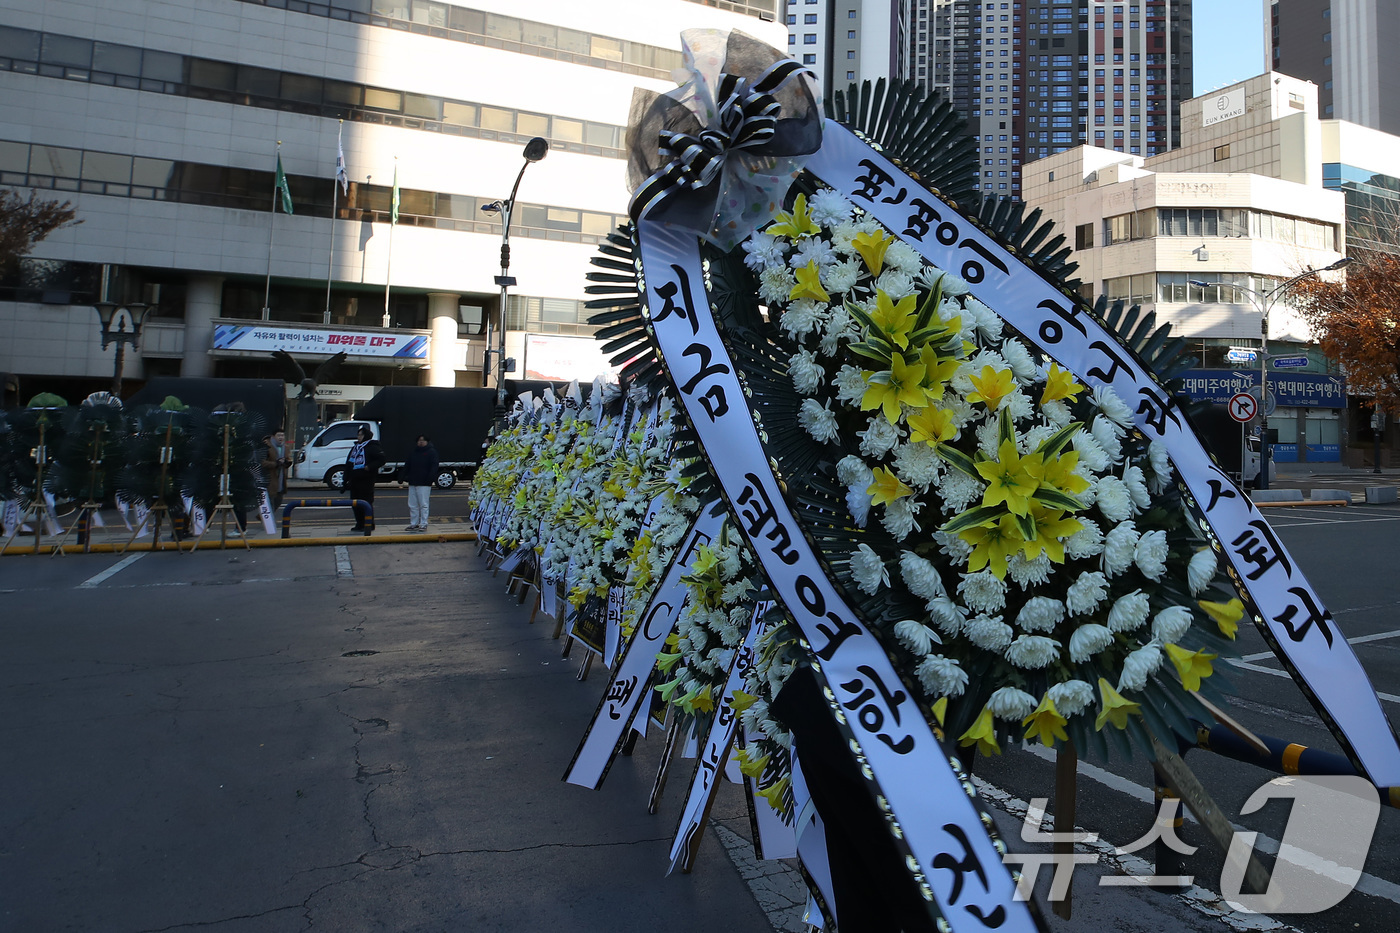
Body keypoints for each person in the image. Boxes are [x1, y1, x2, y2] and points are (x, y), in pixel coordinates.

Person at [346, 426, 384, 533]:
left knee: (366, 502)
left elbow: (382, 459)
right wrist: (346, 479)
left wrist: (369, 467)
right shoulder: (356, 448)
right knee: (355, 503)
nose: (358, 437)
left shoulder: (372, 447)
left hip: (366, 479)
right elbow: (349, 463)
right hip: (355, 479)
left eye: (361, 435)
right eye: (358, 435)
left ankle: (368, 524)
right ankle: (359, 523)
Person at [402, 434, 440, 532]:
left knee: (423, 504)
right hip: (413, 481)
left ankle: (423, 524)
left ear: (427, 441)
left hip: (424, 482)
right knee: (412, 504)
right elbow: (408, 464)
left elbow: (434, 466)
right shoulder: (414, 452)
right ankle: (413, 523)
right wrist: (403, 476)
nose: (420, 442)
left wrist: (430, 479)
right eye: (419, 440)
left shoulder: (431, 452)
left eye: (423, 440)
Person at [261, 429, 289, 513]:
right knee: (270, 503)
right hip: (270, 479)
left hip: (281, 480)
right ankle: (269, 523)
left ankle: (266, 519)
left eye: (282, 435)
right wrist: (275, 464)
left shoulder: (285, 447)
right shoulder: (267, 446)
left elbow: (288, 459)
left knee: (278, 502)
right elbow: (262, 462)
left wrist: (286, 462)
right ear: (273, 437)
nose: (281, 437)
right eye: (279, 435)